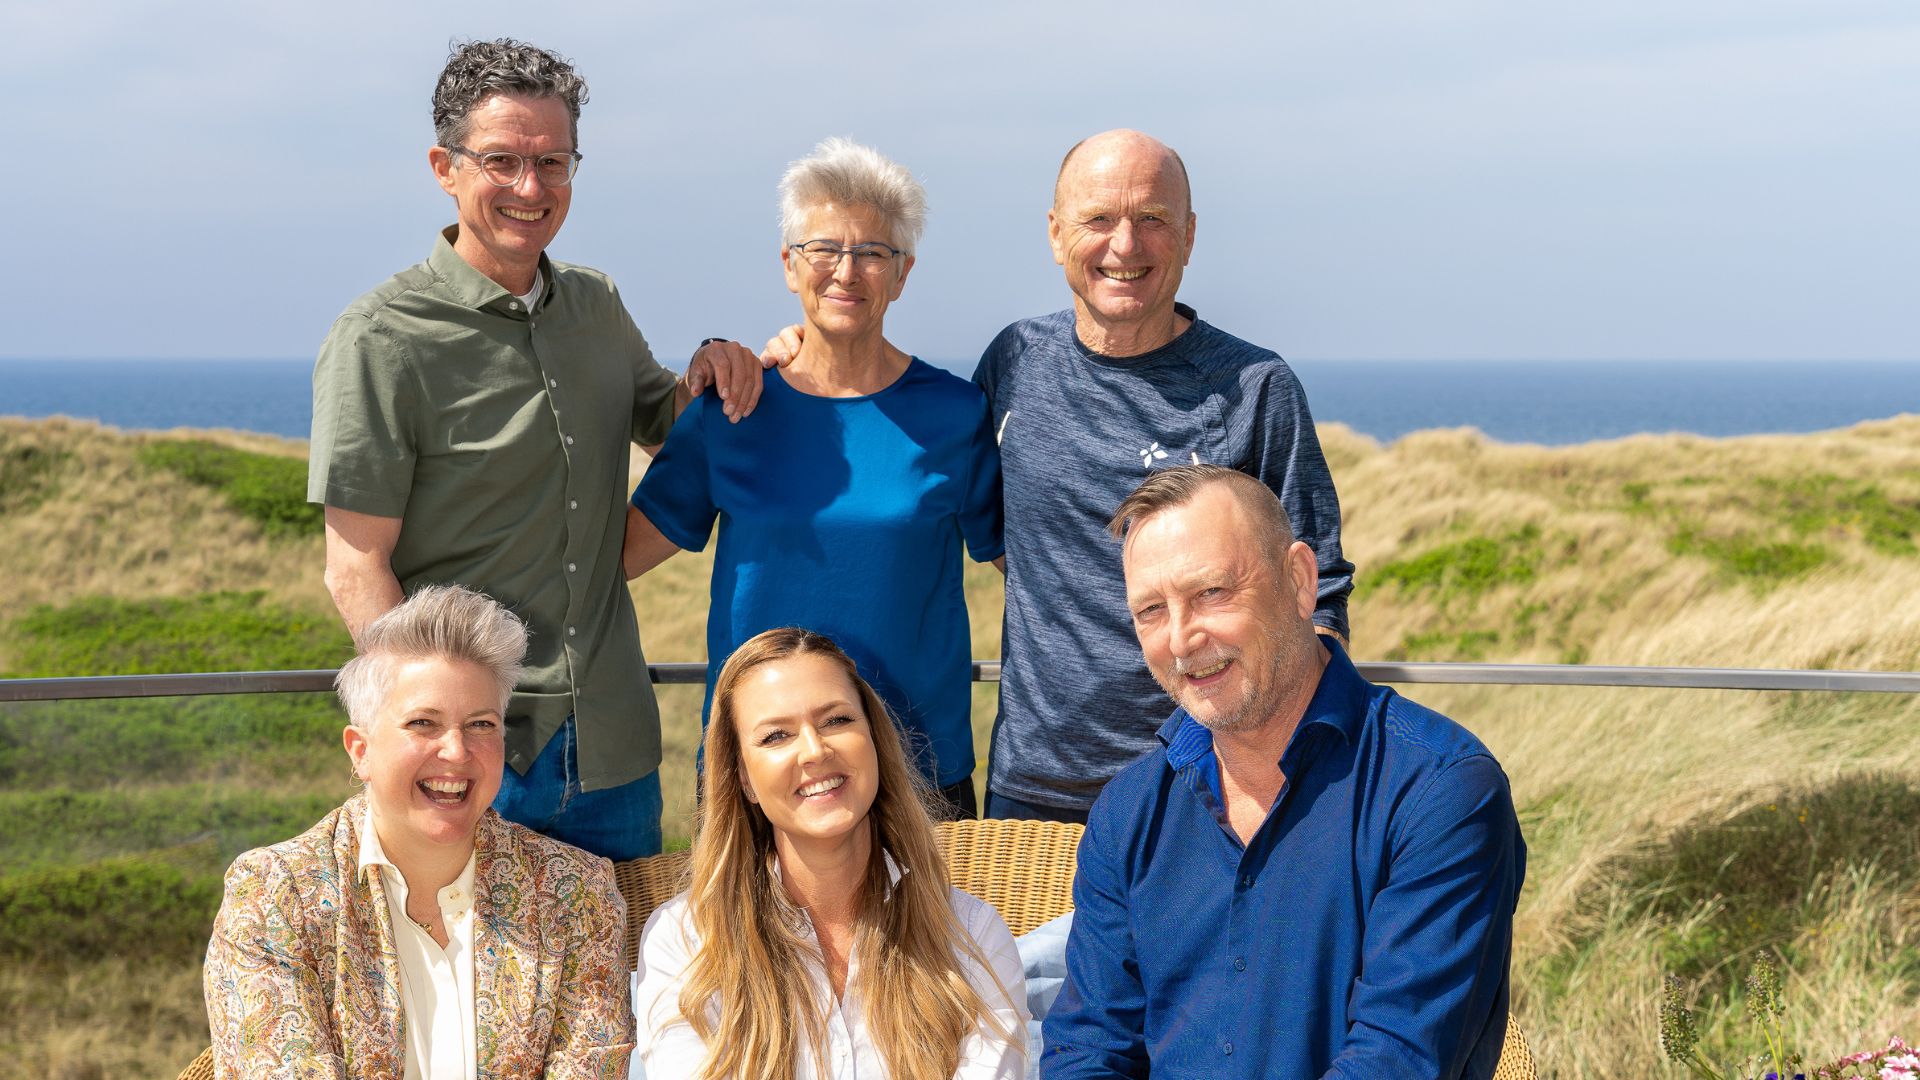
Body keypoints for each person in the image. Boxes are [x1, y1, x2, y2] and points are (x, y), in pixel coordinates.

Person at [771, 129, 1353, 822]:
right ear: (1055, 234)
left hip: (1208, 782)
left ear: (1189, 235)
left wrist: (1297, 772)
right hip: (1033, 788)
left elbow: (1319, 598)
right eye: (1098, 219)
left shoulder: (1254, 388)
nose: (1125, 245)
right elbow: (955, 495)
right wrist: (795, 351)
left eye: (1153, 220)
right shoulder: (1015, 363)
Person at [307, 39, 768, 860]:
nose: (531, 188)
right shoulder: (379, 337)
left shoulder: (596, 303)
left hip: (614, 749)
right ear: (444, 167)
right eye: (503, 161)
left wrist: (717, 362)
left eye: (553, 162)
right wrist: (427, 734)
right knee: (468, 991)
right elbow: (355, 567)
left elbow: (672, 418)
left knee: (619, 985)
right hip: (477, 762)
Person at [1041, 464, 1524, 1079]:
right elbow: (1089, 1048)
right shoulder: (1129, 812)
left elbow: (1396, 1060)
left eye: (1211, 593)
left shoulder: (1440, 791)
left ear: (1299, 582)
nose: (1183, 639)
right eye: (1152, 611)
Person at [625, 138, 1002, 819]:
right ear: (790, 266)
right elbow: (615, 558)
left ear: (903, 273)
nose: (846, 271)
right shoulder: (732, 410)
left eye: (872, 253)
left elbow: (1026, 566)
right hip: (759, 767)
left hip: (916, 770)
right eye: (824, 249)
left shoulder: (955, 413)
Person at [203, 585, 634, 1077]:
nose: (456, 750)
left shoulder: (576, 894)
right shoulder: (275, 897)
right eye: (423, 723)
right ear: (360, 750)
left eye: (481, 724)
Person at [635, 626, 1028, 1079]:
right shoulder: (684, 945)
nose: (814, 750)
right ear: (743, 778)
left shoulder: (972, 938)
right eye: (776, 736)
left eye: (836, 720)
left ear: (874, 740)